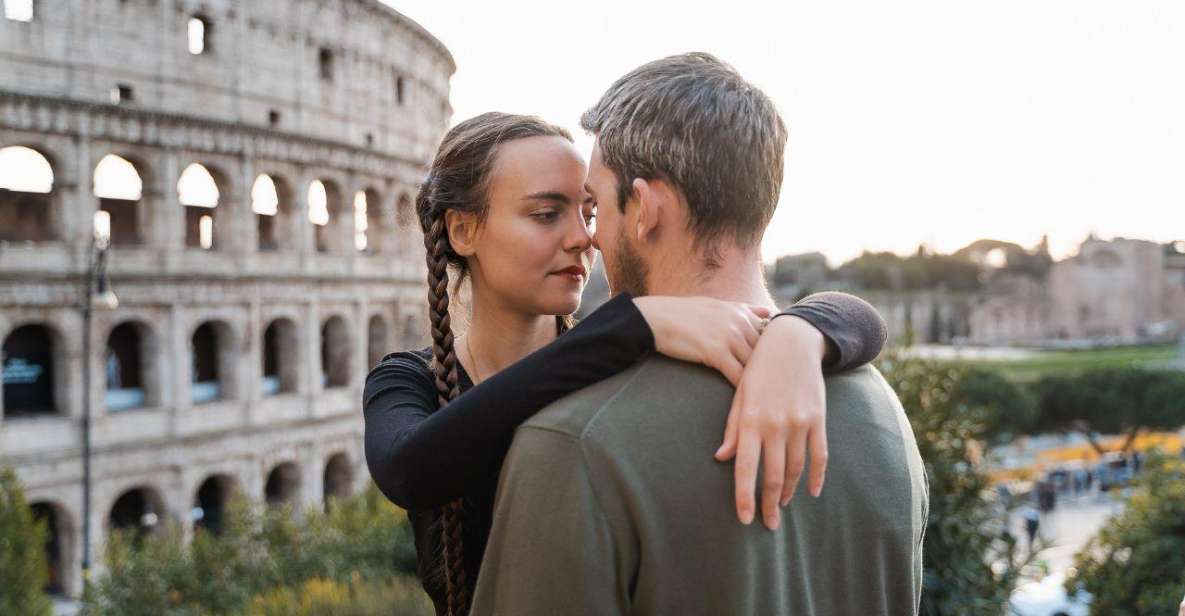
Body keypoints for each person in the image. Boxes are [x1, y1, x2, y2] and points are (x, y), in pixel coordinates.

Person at [362, 112, 889, 615]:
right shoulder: (409, 379)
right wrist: (633, 323)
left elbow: (861, 319)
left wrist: (799, 333)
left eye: (587, 212)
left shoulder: (616, 358)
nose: (583, 237)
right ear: (462, 231)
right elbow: (411, 470)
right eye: (547, 214)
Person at [470, 53, 927, 615]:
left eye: (595, 206)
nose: (591, 239)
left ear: (646, 209)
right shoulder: (882, 409)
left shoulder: (573, 442)